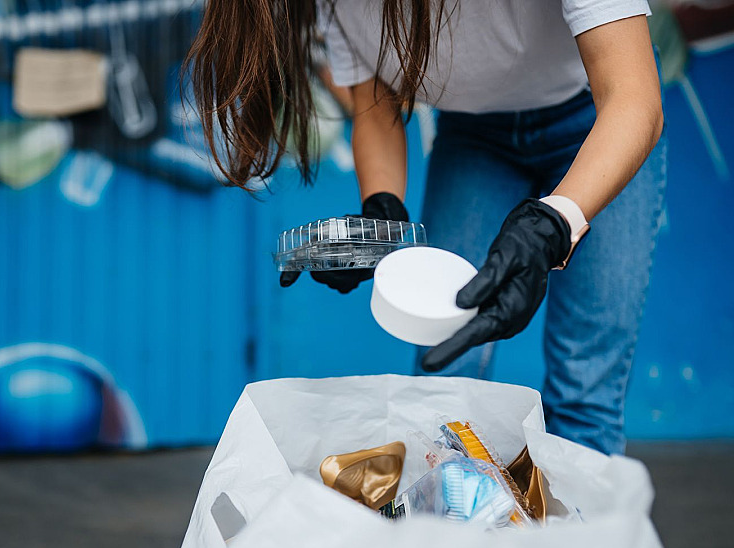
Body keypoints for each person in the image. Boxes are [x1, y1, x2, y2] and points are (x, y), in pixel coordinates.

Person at [185, 0, 667, 455]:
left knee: (584, 393)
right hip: (475, 138)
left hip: (600, 120)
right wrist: (382, 209)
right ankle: (456, 534)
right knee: (445, 394)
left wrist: (554, 223)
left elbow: (633, 98)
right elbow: (376, 99)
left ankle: (586, 543)